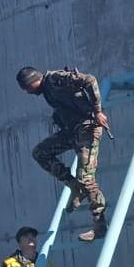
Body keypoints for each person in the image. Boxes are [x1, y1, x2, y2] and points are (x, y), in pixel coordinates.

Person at [16, 66, 109, 242]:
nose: (29, 92)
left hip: (87, 129)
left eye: (28, 88)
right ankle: (73, 185)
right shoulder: (47, 91)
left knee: (86, 178)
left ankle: (100, 225)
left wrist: (98, 111)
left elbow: (90, 80)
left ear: (34, 80)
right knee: (40, 152)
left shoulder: (54, 79)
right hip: (72, 131)